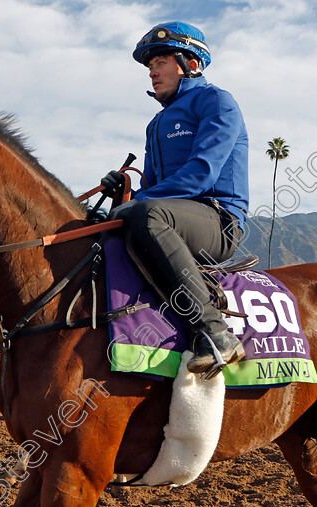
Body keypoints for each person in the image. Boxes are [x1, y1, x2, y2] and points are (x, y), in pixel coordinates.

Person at [102, 22, 250, 378]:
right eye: (150, 66)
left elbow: (201, 173)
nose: (152, 72)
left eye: (161, 62)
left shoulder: (216, 101)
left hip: (217, 220)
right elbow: (153, 187)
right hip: (168, 215)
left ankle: (215, 332)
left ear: (191, 63)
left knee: (146, 214)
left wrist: (138, 204)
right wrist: (124, 193)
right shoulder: (156, 124)